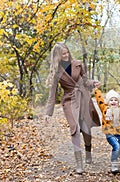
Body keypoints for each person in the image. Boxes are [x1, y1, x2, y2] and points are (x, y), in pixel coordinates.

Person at [45, 42, 101, 174]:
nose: (66, 55)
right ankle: (79, 164)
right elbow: (52, 94)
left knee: (86, 129)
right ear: (57, 56)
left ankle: (88, 152)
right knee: (74, 129)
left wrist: (93, 83)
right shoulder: (56, 71)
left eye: (67, 52)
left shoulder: (77, 63)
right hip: (69, 101)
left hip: (83, 98)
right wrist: (49, 113)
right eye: (62, 54)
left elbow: (86, 82)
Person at [94, 87, 120, 173]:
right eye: (111, 100)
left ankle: (118, 156)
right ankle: (114, 164)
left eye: (115, 100)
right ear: (108, 102)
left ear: (118, 102)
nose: (113, 101)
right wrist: (96, 90)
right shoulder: (105, 109)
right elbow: (99, 100)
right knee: (116, 146)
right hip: (109, 133)